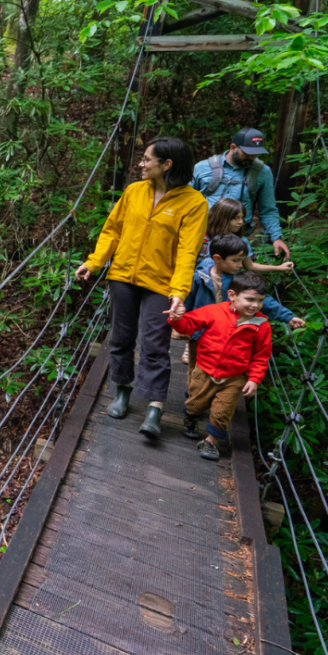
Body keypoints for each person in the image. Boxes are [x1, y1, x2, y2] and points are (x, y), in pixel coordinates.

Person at [75, 137, 208, 440]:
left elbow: (188, 252)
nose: (141, 164)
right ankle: (123, 390)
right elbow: (112, 231)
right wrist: (94, 262)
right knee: (121, 337)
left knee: (155, 344)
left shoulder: (194, 203)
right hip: (123, 276)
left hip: (162, 284)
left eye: (147, 159)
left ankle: (154, 407)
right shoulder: (134, 191)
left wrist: (179, 292)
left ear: (167, 164)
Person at [170, 270, 273, 462]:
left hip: (235, 376)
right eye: (250, 299)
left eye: (260, 300)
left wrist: (254, 379)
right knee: (196, 403)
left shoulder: (262, 326)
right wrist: (176, 319)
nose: (255, 305)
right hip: (205, 368)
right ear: (232, 295)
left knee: (223, 411)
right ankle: (191, 417)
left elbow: (261, 355)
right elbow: (189, 324)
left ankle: (210, 441)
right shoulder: (215, 311)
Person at [180, 232, 306, 368]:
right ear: (217, 258)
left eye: (242, 260)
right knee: (196, 369)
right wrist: (184, 326)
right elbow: (187, 303)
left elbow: (263, 300)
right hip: (201, 333)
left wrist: (288, 317)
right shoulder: (199, 278)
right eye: (235, 261)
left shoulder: (240, 281)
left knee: (224, 368)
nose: (240, 265)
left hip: (229, 335)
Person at [191, 128, 291, 260]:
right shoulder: (202, 168)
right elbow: (185, 201)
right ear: (233, 147)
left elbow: (268, 210)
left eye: (255, 153)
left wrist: (276, 237)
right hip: (201, 233)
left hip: (236, 238)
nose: (251, 157)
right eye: (247, 153)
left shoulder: (263, 172)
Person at [198, 198, 295, 275]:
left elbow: (249, 266)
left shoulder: (241, 241)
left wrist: (278, 268)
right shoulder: (200, 235)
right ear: (221, 218)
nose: (240, 222)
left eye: (242, 218)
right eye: (236, 218)